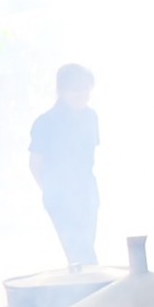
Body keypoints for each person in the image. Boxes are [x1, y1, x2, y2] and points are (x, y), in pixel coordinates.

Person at [29, 64, 100, 265]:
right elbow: (35, 164)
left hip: (87, 192)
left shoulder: (91, 117)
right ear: (61, 91)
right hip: (60, 196)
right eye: (75, 89)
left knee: (85, 247)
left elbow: (89, 157)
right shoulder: (45, 123)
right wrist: (52, 192)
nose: (82, 94)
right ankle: (92, 291)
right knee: (80, 252)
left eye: (85, 88)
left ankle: (87, 288)